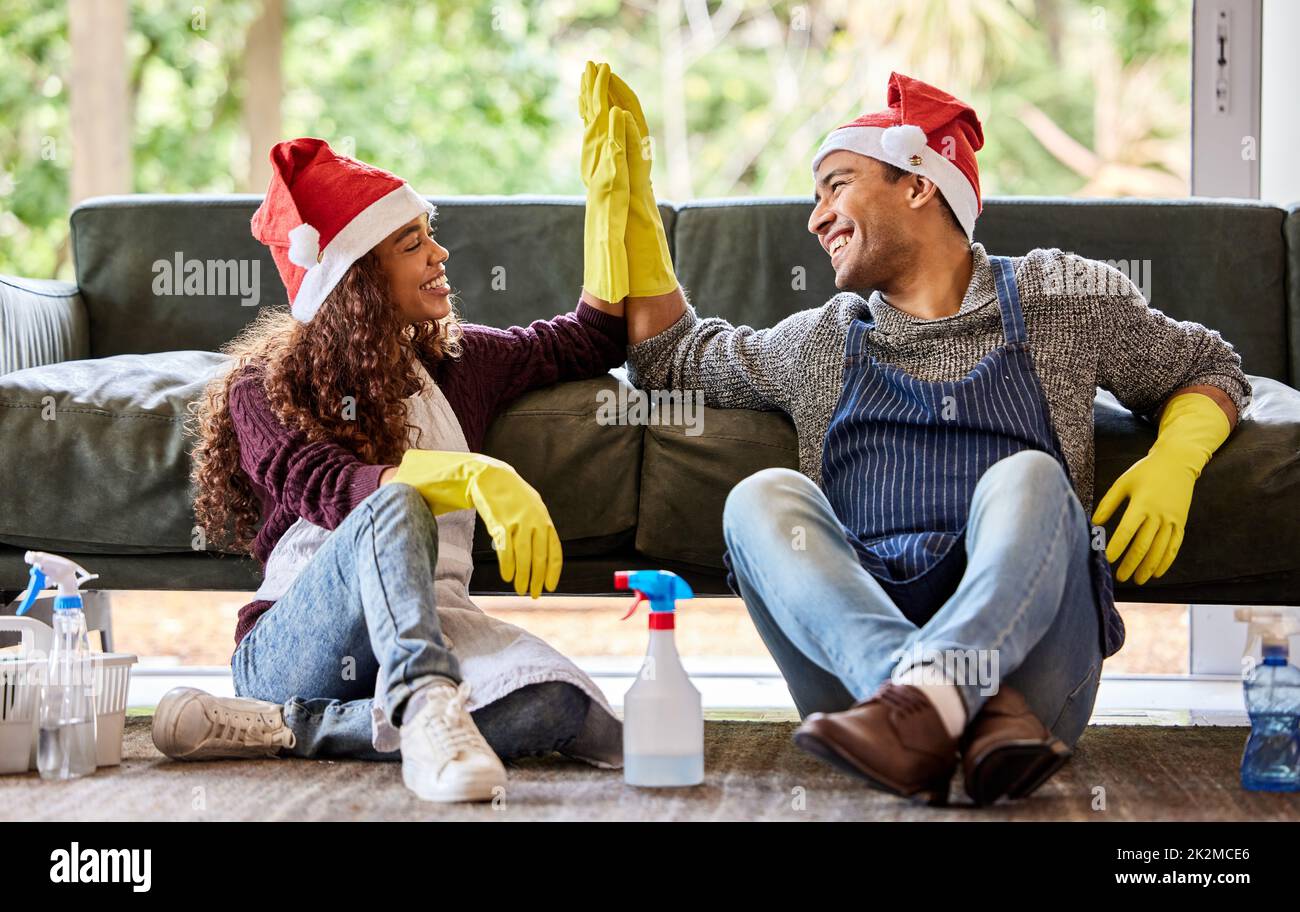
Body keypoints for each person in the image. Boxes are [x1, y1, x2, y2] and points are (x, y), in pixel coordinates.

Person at [597, 65, 1250, 805]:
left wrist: (1177, 458)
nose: (815, 219)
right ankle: (922, 698)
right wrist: (631, 203)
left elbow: (1208, 364)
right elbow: (671, 359)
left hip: (1033, 679)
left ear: (919, 184)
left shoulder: (1060, 296)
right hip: (877, 694)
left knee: (1029, 478)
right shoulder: (820, 341)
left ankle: (925, 702)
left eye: (836, 185)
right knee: (760, 498)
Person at [151, 134, 632, 803]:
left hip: (431, 624)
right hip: (299, 648)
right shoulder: (263, 384)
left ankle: (295, 728)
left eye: (429, 235)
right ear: (356, 279)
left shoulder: (457, 364)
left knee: (559, 706)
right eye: (412, 244)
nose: (439, 255)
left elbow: (589, 340)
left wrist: (612, 197)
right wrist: (473, 476)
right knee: (393, 502)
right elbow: (331, 487)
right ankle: (427, 702)